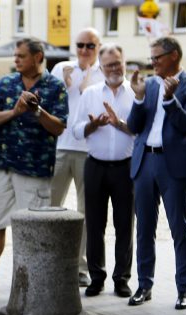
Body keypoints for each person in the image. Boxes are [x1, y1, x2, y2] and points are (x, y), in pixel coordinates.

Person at [0, 37, 67, 302]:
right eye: (15, 56)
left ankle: (28, 284)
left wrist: (38, 111)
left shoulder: (54, 86)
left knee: (31, 229)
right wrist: (15, 112)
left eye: (21, 56)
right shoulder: (6, 83)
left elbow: (59, 127)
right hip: (4, 165)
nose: (16, 60)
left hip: (35, 170)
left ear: (38, 57)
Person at [127, 37, 186, 309]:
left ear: (173, 56)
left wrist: (171, 99)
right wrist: (138, 98)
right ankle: (144, 285)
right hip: (144, 162)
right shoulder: (147, 85)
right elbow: (134, 126)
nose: (153, 62)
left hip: (174, 166)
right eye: (152, 58)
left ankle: (184, 289)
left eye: (157, 57)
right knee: (144, 229)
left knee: (179, 229)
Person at [72, 44, 136, 298]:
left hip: (125, 166)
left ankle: (122, 278)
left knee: (124, 224)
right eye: (109, 65)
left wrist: (119, 124)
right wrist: (92, 125)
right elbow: (75, 130)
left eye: (118, 63)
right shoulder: (89, 94)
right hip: (95, 165)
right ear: (101, 67)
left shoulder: (135, 93)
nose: (114, 69)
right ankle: (97, 277)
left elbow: (141, 131)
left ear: (124, 62)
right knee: (95, 224)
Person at [51, 28, 104, 287]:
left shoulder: (103, 72)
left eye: (89, 46)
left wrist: (85, 88)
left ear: (98, 47)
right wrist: (65, 86)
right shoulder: (62, 68)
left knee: (86, 212)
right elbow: (49, 101)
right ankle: (49, 261)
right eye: (80, 45)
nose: (83, 51)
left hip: (89, 150)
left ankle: (80, 267)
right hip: (61, 146)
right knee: (50, 207)